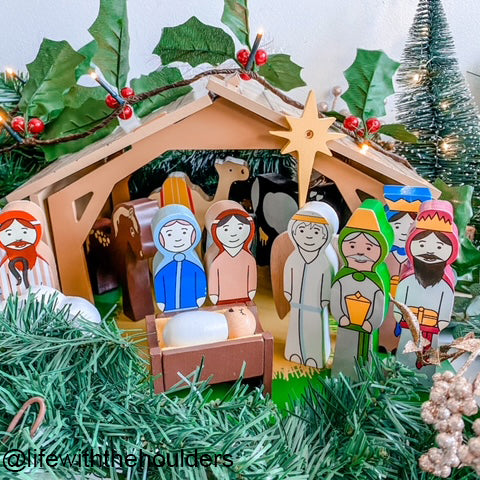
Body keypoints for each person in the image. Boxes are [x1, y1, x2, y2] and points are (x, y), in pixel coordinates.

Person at [395, 200, 459, 377]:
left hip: (433, 329)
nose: (430, 252)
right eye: (422, 245)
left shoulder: (445, 282)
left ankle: (424, 380)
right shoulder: (408, 279)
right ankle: (400, 377)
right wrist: (400, 316)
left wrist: (440, 323)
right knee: (405, 355)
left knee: (428, 363)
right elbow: (400, 300)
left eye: (439, 247)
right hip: (409, 325)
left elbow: (446, 305)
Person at [330, 199, 393, 379]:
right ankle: (340, 374)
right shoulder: (343, 275)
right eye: (352, 246)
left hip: (367, 328)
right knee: (344, 350)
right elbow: (337, 297)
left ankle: (363, 377)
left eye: (368, 247)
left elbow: (380, 304)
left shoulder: (377, 278)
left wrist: (371, 322)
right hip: (346, 324)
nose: (360, 252)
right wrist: (341, 316)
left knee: (365, 358)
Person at [283, 201, 339, 368]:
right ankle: (294, 352)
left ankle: (315, 357)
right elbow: (289, 277)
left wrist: (323, 301)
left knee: (315, 331)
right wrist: (289, 294)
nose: (308, 236)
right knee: (296, 329)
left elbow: (328, 282)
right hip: (297, 305)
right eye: (302, 230)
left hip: (316, 307)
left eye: (315, 232)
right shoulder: (294, 258)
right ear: (294, 232)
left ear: (325, 235)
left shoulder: (325, 260)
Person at [378, 186, 432, 352]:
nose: (403, 232)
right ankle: (383, 342)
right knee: (385, 317)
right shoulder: (383, 253)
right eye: (397, 226)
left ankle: (399, 345)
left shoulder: (419, 258)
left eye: (409, 227)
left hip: (408, 301)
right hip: (385, 297)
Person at [151, 205, 207, 312]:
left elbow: (199, 277)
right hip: (169, 305)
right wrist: (161, 301)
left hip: (192, 303)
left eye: (184, 232)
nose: (177, 239)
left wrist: (200, 296)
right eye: (169, 234)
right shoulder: (163, 265)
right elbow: (160, 281)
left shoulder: (193, 263)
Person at [0, 210, 55, 299]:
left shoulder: (42, 261)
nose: (18, 238)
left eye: (25, 232)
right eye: (9, 234)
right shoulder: (4, 265)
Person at [207, 206, 256, 305]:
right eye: (226, 229)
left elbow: (251, 274)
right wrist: (214, 294)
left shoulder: (248, 258)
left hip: (243, 297)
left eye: (240, 228)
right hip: (222, 298)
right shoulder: (218, 259)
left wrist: (251, 291)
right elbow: (215, 277)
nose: (233, 234)